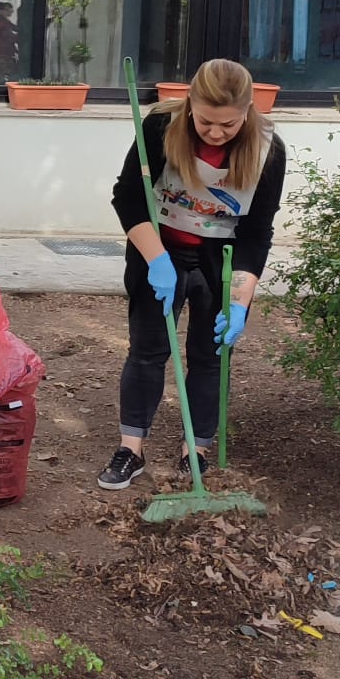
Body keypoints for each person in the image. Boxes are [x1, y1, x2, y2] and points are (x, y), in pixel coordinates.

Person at [98, 58, 286, 490]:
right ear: (190, 106)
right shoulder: (160, 128)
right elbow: (128, 198)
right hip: (159, 250)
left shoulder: (267, 150)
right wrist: (156, 260)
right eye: (205, 122)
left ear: (248, 111)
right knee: (147, 349)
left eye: (229, 124)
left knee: (211, 354)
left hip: (222, 260)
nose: (216, 133)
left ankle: (194, 451)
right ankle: (131, 450)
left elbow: (257, 232)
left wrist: (239, 303)